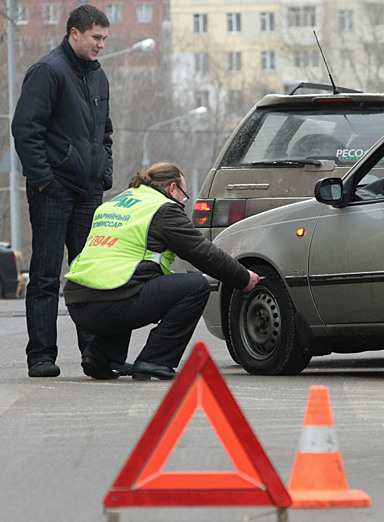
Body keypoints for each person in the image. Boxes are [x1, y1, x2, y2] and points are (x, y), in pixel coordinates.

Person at [63, 162, 260, 381]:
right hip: (111, 300)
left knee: (132, 281)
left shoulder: (116, 203)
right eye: (184, 194)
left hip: (78, 301)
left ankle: (101, 355)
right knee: (195, 287)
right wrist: (243, 277)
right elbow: (203, 253)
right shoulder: (163, 209)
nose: (184, 201)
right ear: (172, 188)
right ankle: (155, 360)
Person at [12, 5, 114, 378]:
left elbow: (105, 133)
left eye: (104, 38)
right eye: (96, 38)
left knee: (88, 275)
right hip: (53, 190)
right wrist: (43, 180)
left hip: (88, 191)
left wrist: (104, 174)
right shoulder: (48, 71)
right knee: (45, 275)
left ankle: (94, 355)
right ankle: (41, 355)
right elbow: (25, 129)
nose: (101, 45)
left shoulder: (99, 77)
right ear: (75, 33)